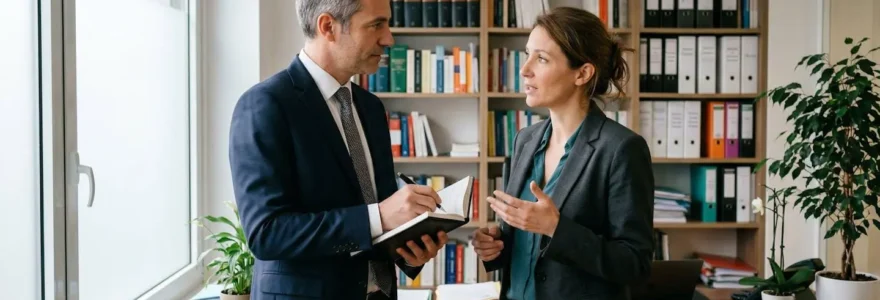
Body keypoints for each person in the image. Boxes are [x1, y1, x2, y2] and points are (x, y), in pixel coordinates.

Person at [228, 0, 448, 299]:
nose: (389, 38)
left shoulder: (371, 108)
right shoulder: (265, 105)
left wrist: (407, 250)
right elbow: (267, 232)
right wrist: (380, 216)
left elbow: (377, 210)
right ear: (328, 27)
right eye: (376, 25)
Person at [471, 7, 655, 300]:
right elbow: (523, 246)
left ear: (582, 73)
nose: (525, 69)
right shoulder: (525, 140)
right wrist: (495, 246)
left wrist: (556, 228)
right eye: (527, 54)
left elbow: (634, 263)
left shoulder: (621, 149)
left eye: (541, 58)